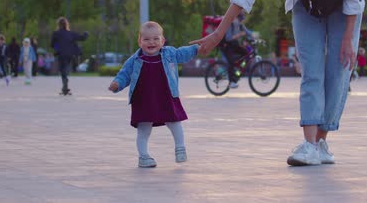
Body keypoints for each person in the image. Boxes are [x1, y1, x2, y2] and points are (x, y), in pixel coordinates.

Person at [190, 0, 365, 166]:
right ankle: (308, 146)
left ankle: (321, 142)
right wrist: (218, 33)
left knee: (338, 72)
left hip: (345, 10)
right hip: (307, 9)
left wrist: (348, 39)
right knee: (311, 72)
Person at [109, 21, 199, 168]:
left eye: (156, 38)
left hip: (166, 96)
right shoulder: (135, 59)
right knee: (144, 128)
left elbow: (182, 53)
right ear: (139, 42)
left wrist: (197, 48)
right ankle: (143, 157)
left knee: (175, 122)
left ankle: (180, 148)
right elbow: (124, 73)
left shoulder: (169, 53)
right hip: (143, 99)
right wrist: (117, 84)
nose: (151, 42)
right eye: (146, 39)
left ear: (162, 41)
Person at [51, 17, 88, 96]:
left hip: (61, 54)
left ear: (58, 25)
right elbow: (82, 38)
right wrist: (86, 34)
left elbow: (52, 44)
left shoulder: (56, 33)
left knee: (62, 70)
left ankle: (65, 85)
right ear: (66, 24)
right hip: (69, 55)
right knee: (66, 68)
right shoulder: (71, 33)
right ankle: (65, 86)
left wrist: (57, 47)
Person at [221, 11, 253, 88]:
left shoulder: (240, 24)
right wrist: (239, 35)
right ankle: (231, 82)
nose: (241, 21)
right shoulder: (230, 24)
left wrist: (257, 38)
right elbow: (228, 38)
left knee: (247, 53)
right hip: (226, 45)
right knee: (231, 62)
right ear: (237, 18)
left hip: (234, 45)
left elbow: (248, 32)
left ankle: (237, 71)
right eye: (241, 19)